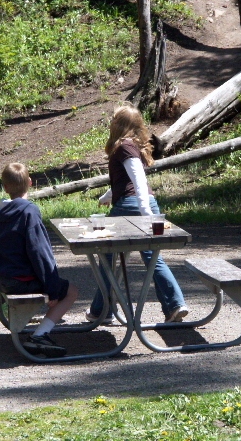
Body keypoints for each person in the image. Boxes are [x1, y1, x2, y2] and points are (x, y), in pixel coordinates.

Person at [86, 104, 188, 324]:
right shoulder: (132, 146)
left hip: (133, 207)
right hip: (143, 203)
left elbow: (139, 182)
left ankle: (102, 311)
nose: (111, 123)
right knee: (152, 258)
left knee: (107, 256)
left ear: (119, 124)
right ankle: (175, 305)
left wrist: (146, 214)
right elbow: (127, 181)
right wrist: (107, 196)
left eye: (114, 119)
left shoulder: (124, 146)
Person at [0, 163, 78, 358]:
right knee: (71, 291)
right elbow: (40, 253)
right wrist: (52, 289)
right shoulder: (30, 212)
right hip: (18, 282)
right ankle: (40, 336)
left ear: (5, 187)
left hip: (0, 277)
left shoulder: (0, 212)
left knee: (17, 265)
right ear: (30, 182)